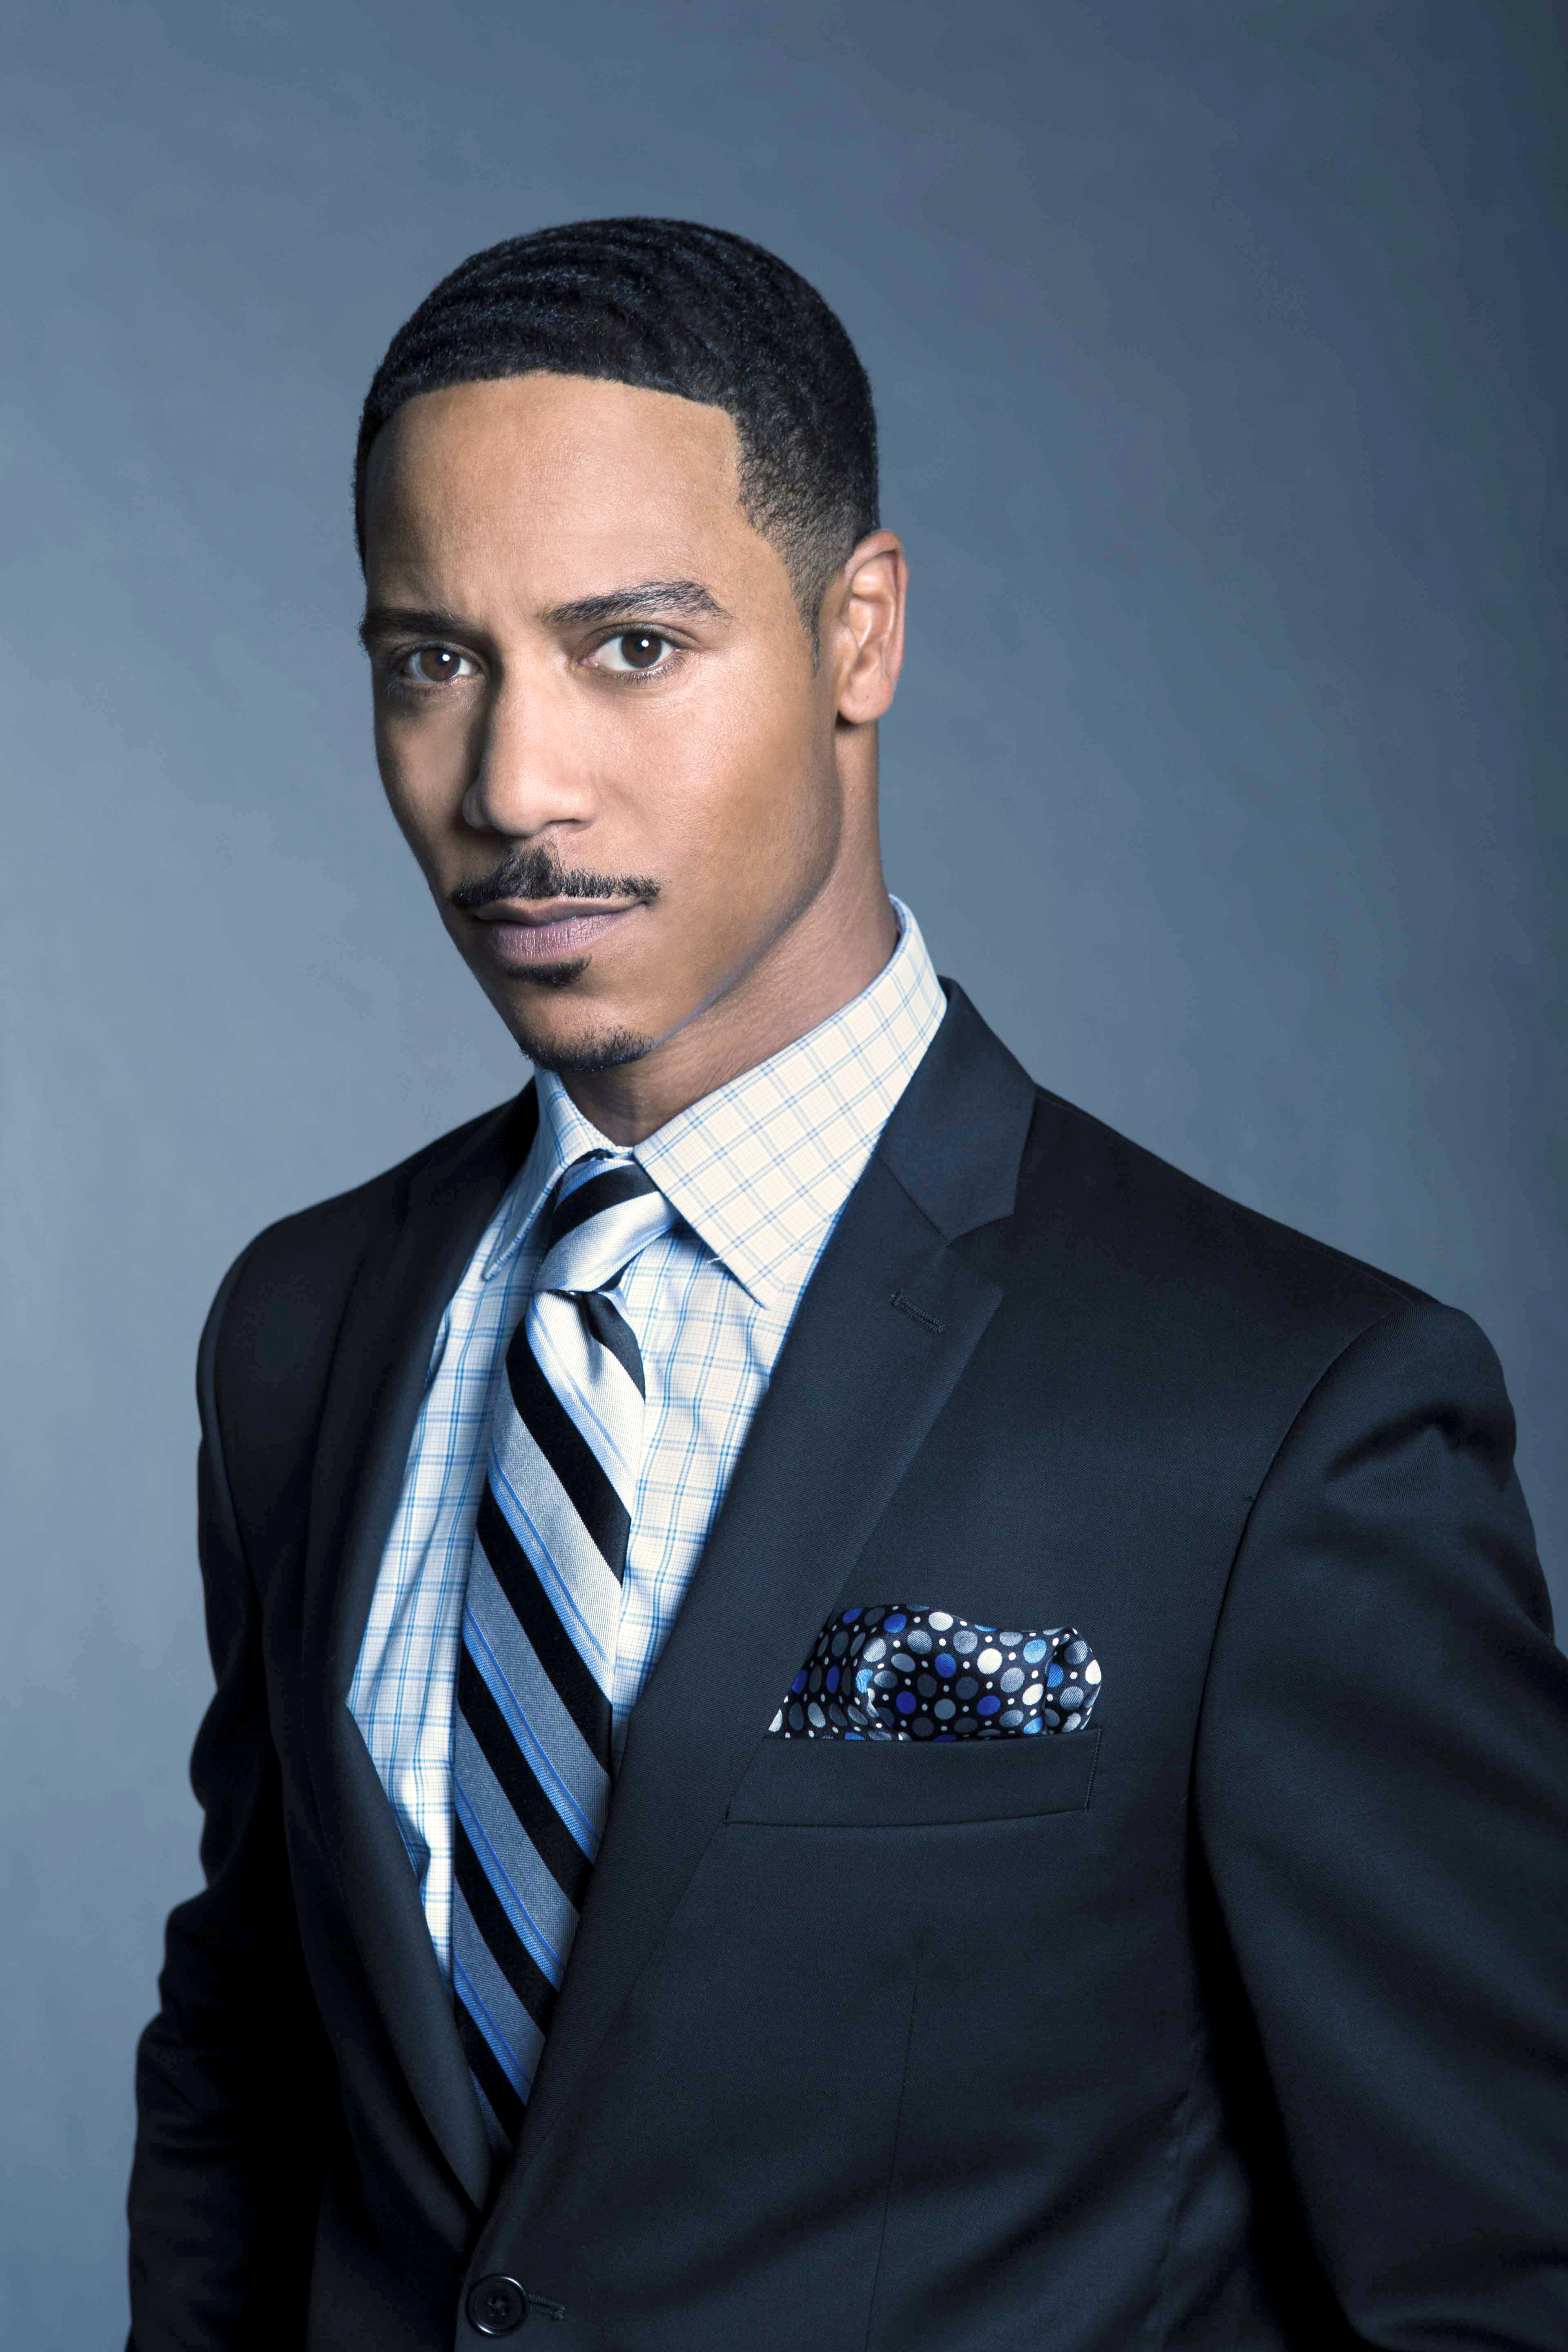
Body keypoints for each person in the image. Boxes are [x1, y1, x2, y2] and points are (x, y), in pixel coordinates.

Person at [127, 218, 1568, 2352]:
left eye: (631, 646)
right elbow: (251, 2075)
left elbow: (1499, 2276)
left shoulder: (1283, 1419)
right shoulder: (303, 1329)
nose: (514, 786)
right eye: (433, 660)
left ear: (858, 636)